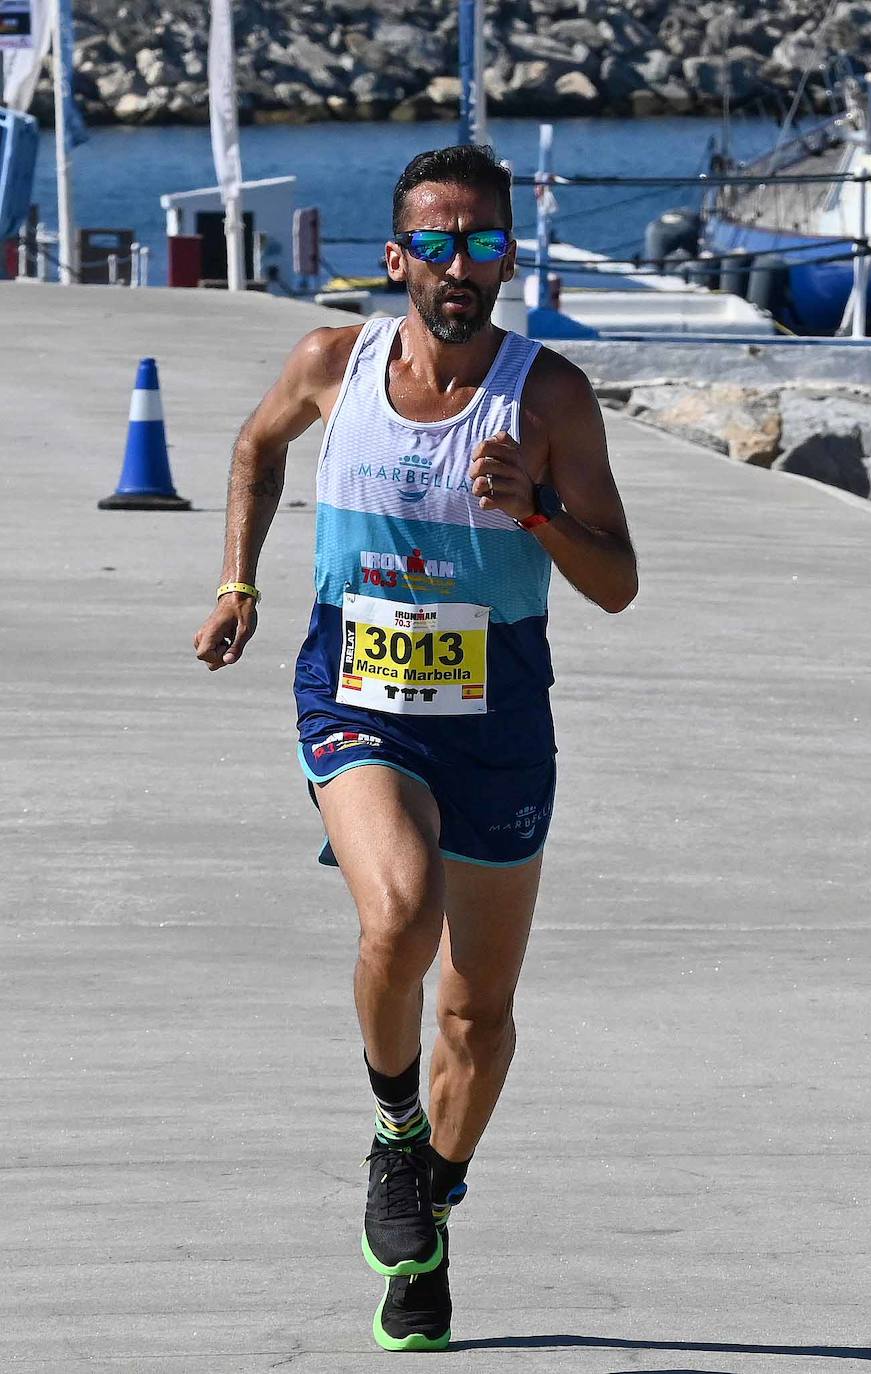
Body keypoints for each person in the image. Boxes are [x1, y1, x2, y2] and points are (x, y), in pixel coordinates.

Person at [193, 143, 637, 1351]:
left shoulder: (547, 400)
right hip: (358, 689)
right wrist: (238, 581)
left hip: (498, 708)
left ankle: (429, 1202)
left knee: (477, 1017)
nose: (458, 266)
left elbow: (618, 584)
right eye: (434, 245)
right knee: (397, 917)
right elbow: (253, 448)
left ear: (507, 257)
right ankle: (396, 1133)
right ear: (394, 258)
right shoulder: (333, 365)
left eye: (482, 244)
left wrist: (534, 512)